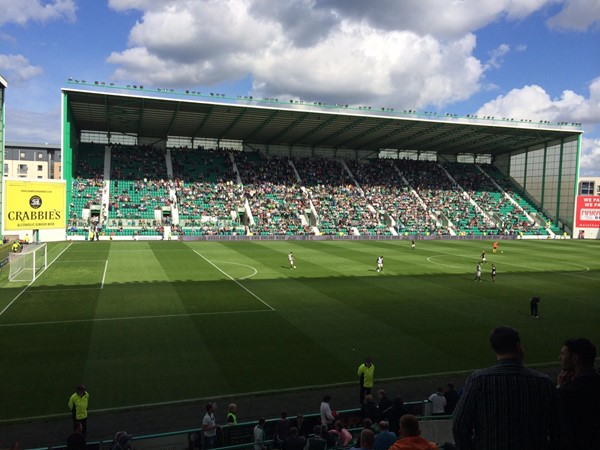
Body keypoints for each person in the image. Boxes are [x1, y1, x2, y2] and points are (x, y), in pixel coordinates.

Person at [452, 326, 563, 450]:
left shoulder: (478, 380)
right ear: (518, 346)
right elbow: (558, 429)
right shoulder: (544, 382)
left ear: (494, 349)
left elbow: (459, 425)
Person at [556, 338, 600, 450]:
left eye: (563, 354)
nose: (560, 358)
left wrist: (560, 387)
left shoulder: (567, 391)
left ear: (575, 359)